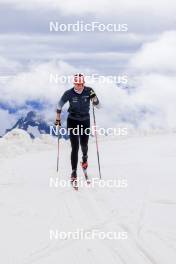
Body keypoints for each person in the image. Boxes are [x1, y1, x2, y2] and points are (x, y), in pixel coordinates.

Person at [55, 73, 100, 182]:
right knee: (75, 147)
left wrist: (95, 99)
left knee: (84, 144)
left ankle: (84, 159)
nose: (79, 86)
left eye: (81, 84)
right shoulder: (68, 93)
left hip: (85, 120)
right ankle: (74, 171)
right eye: (77, 84)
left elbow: (98, 105)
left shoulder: (89, 91)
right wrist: (58, 119)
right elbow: (59, 105)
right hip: (73, 121)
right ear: (74, 83)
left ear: (83, 83)